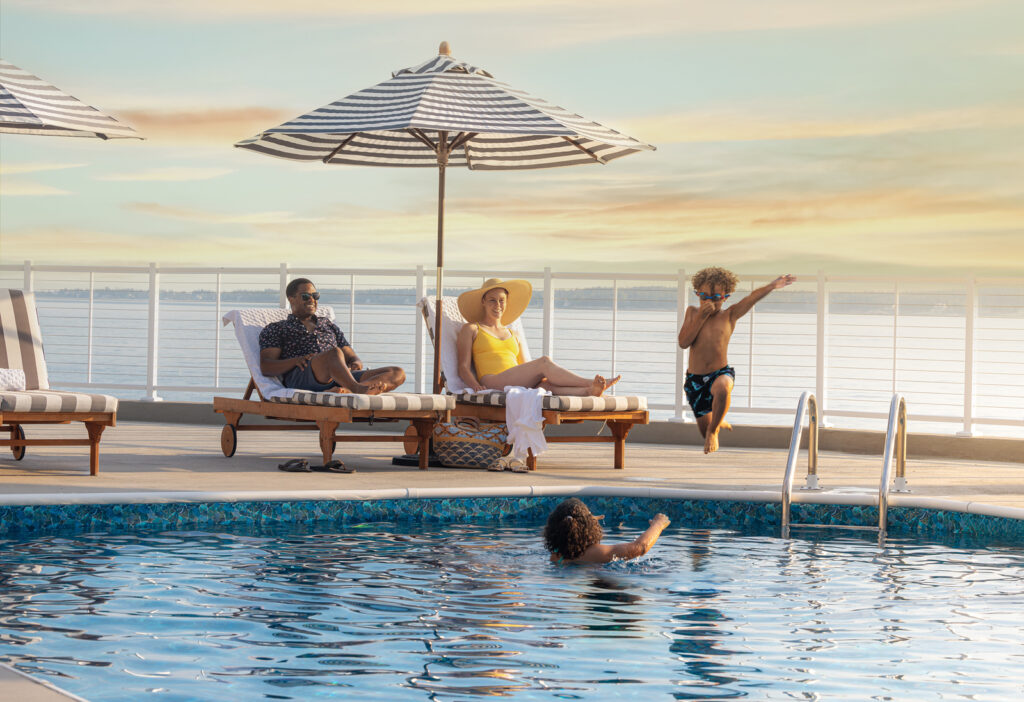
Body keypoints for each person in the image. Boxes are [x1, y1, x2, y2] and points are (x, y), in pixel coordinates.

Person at [677, 267, 796, 454]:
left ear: (725, 297)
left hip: (720, 372)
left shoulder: (729, 315)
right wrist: (701, 317)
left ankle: (714, 429)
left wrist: (772, 285)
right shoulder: (692, 312)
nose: (709, 301)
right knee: (703, 428)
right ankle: (717, 419)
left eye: (716, 297)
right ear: (697, 294)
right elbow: (683, 342)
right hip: (695, 381)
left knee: (722, 389)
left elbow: (751, 297)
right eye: (704, 296)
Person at [456, 278, 620, 396]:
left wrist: (541, 379)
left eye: (501, 300)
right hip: (492, 380)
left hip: (514, 380)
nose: (497, 305)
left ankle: (589, 391)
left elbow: (524, 367)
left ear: (506, 303)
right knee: (544, 362)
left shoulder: (514, 334)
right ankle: (588, 382)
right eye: (492, 300)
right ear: (483, 302)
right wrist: (476, 387)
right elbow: (463, 367)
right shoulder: (471, 329)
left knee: (546, 385)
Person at [259, 278, 405, 395]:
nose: (312, 299)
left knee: (397, 372)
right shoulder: (277, 328)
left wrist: (355, 362)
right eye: (305, 296)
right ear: (291, 299)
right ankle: (358, 389)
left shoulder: (327, 325)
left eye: (315, 296)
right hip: (304, 376)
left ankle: (348, 390)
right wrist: (295, 361)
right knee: (334, 353)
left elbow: (351, 355)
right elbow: (266, 366)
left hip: (340, 377)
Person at [543, 498, 671, 565]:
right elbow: (640, 547)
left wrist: (588, 519)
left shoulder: (556, 556)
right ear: (587, 526)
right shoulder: (596, 553)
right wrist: (658, 524)